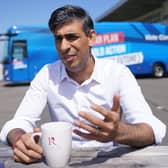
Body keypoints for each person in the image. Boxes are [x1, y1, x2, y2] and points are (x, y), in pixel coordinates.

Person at [0, 5, 166, 163]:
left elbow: (153, 130)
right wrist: (19, 139)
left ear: (91, 37)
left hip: (109, 160)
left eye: (72, 37)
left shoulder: (118, 73)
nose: (64, 46)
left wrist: (118, 132)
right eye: (58, 39)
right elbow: (18, 123)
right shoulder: (47, 74)